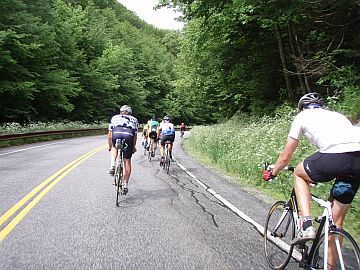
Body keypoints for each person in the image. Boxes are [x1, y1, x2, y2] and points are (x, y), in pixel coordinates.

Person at [263, 93, 360, 254]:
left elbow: (285, 157)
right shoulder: (337, 116)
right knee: (336, 222)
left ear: (302, 108)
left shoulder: (302, 117)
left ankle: (306, 226)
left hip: (335, 155)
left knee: (300, 175)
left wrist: (272, 172)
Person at [108, 105, 138, 194]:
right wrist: (133, 147)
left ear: (120, 111)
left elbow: (110, 135)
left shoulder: (114, 118)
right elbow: (135, 137)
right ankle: (125, 184)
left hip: (116, 133)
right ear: (130, 113)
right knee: (127, 161)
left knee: (114, 147)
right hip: (128, 135)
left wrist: (110, 146)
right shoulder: (134, 119)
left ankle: (113, 164)